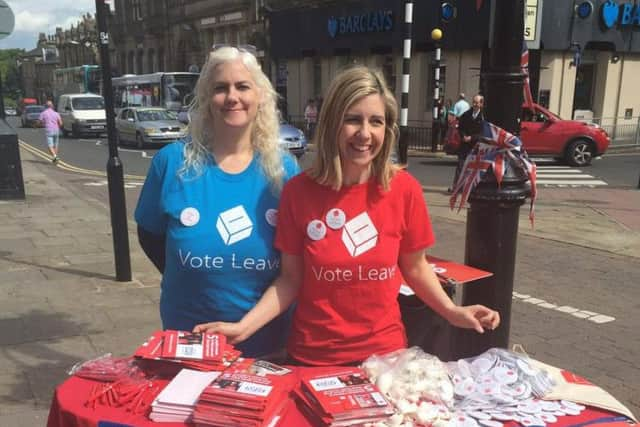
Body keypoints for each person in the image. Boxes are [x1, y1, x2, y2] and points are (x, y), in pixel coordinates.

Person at [194, 66, 500, 366]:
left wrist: (452, 311)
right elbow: (290, 279)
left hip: (386, 360)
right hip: (313, 359)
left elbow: (416, 269)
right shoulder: (298, 192)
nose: (365, 134)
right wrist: (243, 328)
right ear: (333, 125)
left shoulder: (404, 189)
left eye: (376, 121)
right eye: (353, 120)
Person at [134, 46, 301, 359]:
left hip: (267, 344)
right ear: (207, 99)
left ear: (261, 95)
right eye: (220, 88)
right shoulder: (171, 163)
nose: (232, 97)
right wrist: (193, 275)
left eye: (242, 86)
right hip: (188, 339)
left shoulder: (285, 171)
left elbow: (294, 265)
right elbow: (150, 235)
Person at [451, 94, 485, 190]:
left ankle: (473, 187)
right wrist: (463, 136)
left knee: (475, 168)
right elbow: (460, 127)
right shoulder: (466, 114)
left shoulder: (483, 116)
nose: (474, 104)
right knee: (461, 165)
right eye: (473, 102)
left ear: (481, 104)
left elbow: (483, 132)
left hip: (476, 145)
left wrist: (472, 138)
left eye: (476, 102)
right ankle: (456, 187)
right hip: (465, 145)